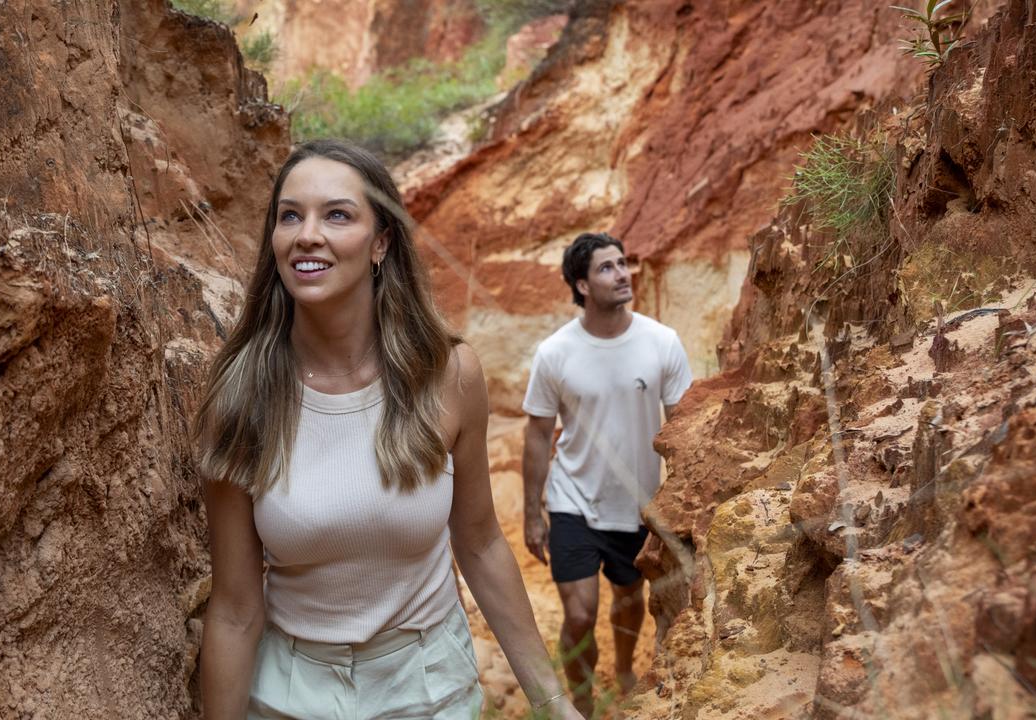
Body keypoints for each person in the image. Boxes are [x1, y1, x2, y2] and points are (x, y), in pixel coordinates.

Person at [194, 139, 582, 720]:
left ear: (381, 243)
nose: (307, 235)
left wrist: (552, 703)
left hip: (426, 689)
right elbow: (233, 609)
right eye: (290, 215)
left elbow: (478, 542)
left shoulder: (448, 376)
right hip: (287, 694)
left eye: (338, 215)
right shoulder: (241, 396)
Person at [521, 232, 693, 716]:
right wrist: (532, 511)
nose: (623, 274)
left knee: (627, 598)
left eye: (622, 264)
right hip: (571, 498)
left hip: (636, 503)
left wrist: (679, 503)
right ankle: (579, 703)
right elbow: (537, 435)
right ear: (581, 284)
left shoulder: (662, 343)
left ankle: (622, 671)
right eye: (607, 268)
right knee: (579, 614)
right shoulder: (555, 353)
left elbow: (684, 427)